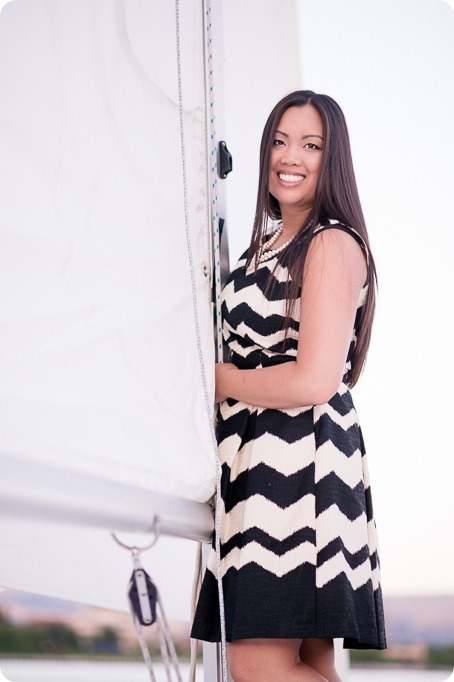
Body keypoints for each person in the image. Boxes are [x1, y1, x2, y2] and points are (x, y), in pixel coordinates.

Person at [191, 90, 387, 682]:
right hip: (255, 465)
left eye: (310, 144)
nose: (289, 156)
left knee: (255, 665)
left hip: (301, 472)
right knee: (306, 664)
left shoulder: (331, 242)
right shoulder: (259, 249)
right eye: (279, 141)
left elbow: (314, 379)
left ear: (334, 160)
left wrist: (210, 381)